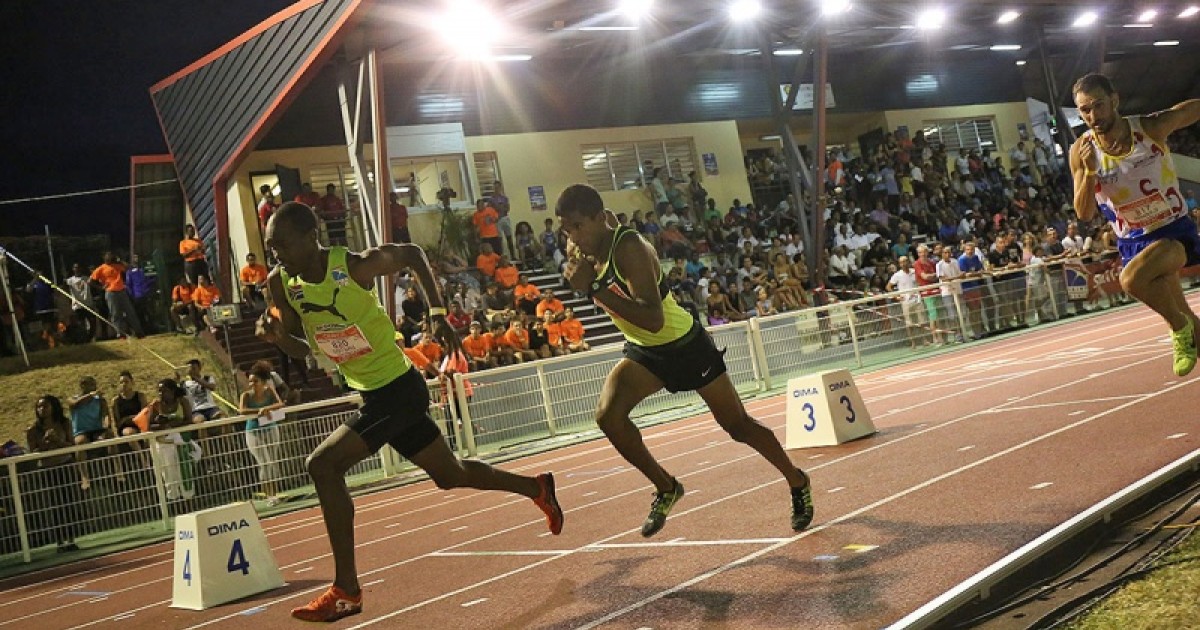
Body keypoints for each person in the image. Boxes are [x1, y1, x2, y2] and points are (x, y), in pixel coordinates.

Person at [256, 202, 562, 622]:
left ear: (312, 238)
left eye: (282, 245)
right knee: (450, 475)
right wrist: (278, 339)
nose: (275, 255)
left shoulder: (354, 266)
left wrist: (438, 313)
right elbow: (303, 349)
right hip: (371, 394)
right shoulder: (280, 283)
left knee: (323, 466)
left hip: (398, 389)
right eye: (270, 247)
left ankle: (347, 590)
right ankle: (537, 488)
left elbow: (414, 253)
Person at [555, 183, 813, 537]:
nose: (571, 236)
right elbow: (604, 232)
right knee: (608, 417)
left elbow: (653, 318)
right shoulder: (584, 246)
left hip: (683, 345)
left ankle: (797, 480)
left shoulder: (628, 248)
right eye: (565, 228)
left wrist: (594, 289)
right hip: (645, 352)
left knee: (737, 426)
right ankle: (666, 487)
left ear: (598, 219)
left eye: (577, 226)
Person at [1070, 73, 1200, 376]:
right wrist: (1090, 173)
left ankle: (1178, 330)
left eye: (1098, 106)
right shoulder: (1082, 151)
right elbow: (1084, 213)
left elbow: (1186, 111)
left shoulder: (1148, 128)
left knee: (1130, 281)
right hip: (1133, 242)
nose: (1093, 116)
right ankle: (1186, 327)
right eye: (1084, 110)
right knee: (1191, 322)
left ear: (1114, 100)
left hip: (1173, 232)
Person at [25, 395, 82, 552]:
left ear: (53, 407)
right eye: (39, 407)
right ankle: (59, 541)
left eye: (46, 406)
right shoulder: (33, 430)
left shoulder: (64, 423)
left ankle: (71, 539)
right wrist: (44, 442)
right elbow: (33, 452)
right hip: (47, 469)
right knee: (53, 505)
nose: (42, 409)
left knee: (69, 502)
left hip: (65, 465)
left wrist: (57, 440)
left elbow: (71, 445)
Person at [238, 363, 286, 506]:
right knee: (264, 463)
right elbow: (242, 410)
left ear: (263, 382)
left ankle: (275, 493)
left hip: (270, 428)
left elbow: (279, 404)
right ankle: (269, 495)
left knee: (273, 462)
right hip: (254, 431)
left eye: (255, 381)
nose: (252, 384)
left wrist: (266, 408)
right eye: (250, 381)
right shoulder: (246, 395)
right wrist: (258, 410)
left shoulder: (269, 391)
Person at [91, 252, 144, 339]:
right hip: (111, 293)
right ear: (105, 259)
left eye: (111, 257)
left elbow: (129, 268)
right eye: (108, 257)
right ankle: (121, 334)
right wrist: (101, 287)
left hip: (121, 291)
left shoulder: (117, 265)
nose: (109, 259)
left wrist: (120, 261)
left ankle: (138, 332)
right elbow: (90, 281)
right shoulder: (101, 269)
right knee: (116, 314)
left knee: (130, 312)